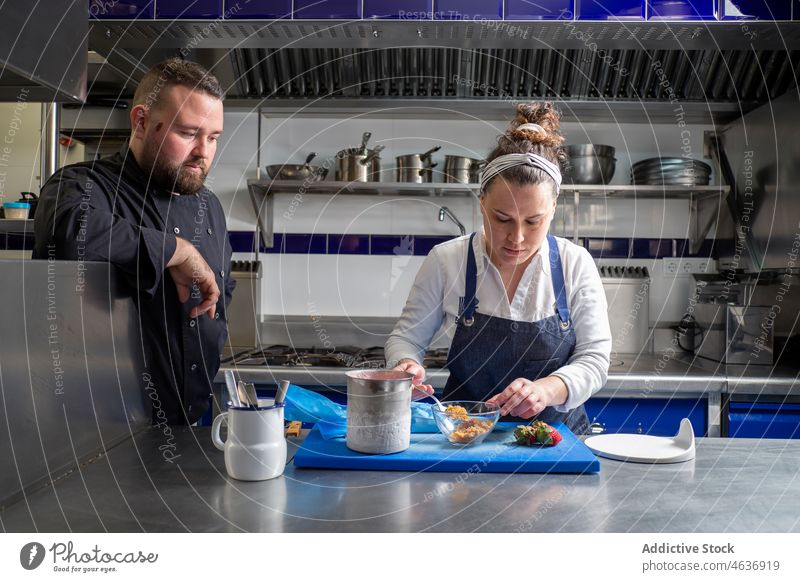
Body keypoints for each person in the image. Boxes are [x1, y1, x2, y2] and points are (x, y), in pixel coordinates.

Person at [386, 102, 611, 433]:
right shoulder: (447, 260)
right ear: (482, 204)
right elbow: (405, 338)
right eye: (501, 218)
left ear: (553, 208)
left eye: (533, 221)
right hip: (464, 439)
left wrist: (546, 390)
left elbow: (594, 360)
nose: (516, 237)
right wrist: (405, 365)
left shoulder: (574, 264)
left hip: (556, 445)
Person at [33, 58, 235, 425]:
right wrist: (176, 251)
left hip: (188, 423)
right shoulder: (84, 185)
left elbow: (220, 294)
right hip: (95, 430)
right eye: (189, 133)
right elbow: (69, 232)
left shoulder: (210, 207)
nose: (203, 152)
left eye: (213, 138)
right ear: (141, 121)